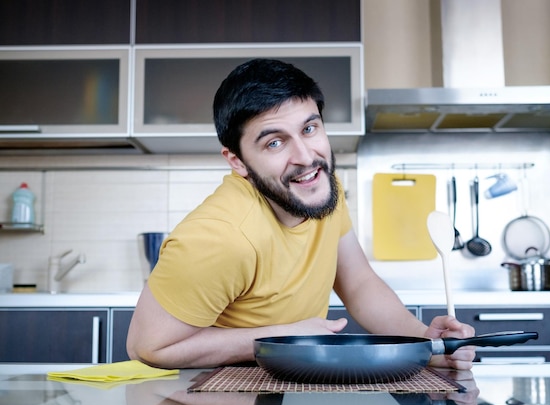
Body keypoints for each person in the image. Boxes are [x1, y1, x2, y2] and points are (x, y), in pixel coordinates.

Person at [126, 58, 475, 370]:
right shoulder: (220, 237)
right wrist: (280, 337)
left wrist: (425, 343)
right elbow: (148, 347)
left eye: (309, 129)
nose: (306, 157)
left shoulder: (319, 186)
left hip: (293, 390)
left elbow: (358, 282)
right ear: (237, 161)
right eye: (274, 143)